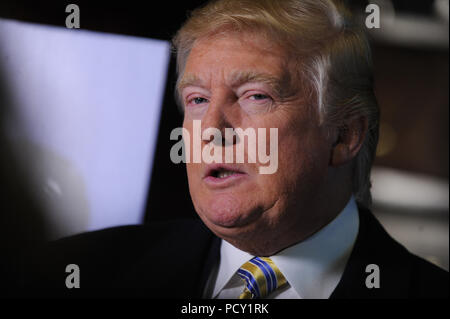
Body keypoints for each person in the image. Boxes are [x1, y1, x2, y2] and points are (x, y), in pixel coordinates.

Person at [20, 0, 448, 298]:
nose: (212, 130)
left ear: (344, 136)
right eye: (197, 100)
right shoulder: (81, 275)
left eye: (254, 96)